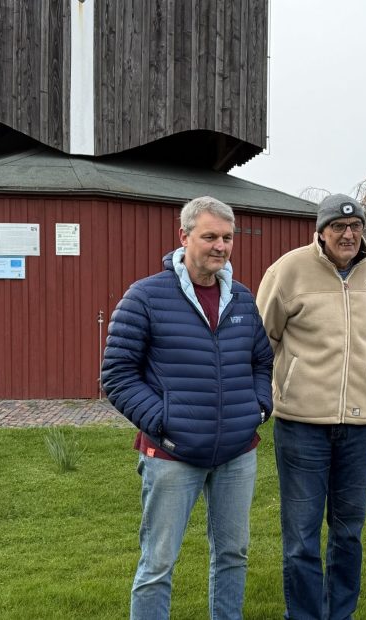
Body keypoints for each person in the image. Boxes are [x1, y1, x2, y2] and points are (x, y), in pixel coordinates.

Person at [101, 196, 273, 620]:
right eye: (210, 236)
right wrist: (163, 422)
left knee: (233, 554)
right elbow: (117, 374)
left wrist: (259, 408)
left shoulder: (242, 299)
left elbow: (261, 361)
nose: (220, 246)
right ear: (184, 236)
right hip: (172, 454)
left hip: (237, 453)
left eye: (227, 238)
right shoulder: (145, 296)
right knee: (158, 563)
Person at [255, 193, 366, 620]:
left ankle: (341, 613)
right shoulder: (289, 269)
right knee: (301, 534)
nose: (348, 234)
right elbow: (264, 338)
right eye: (338, 227)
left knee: (349, 532)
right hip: (302, 424)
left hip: (362, 425)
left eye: (355, 227)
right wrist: (284, 384)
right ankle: (304, 615)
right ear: (321, 231)